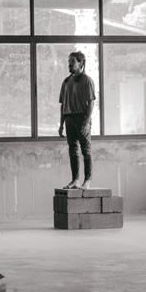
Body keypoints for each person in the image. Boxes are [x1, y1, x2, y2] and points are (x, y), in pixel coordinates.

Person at [58, 50, 95, 190]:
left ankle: (87, 180)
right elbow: (63, 105)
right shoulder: (66, 82)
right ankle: (75, 180)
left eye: (72, 61)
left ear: (81, 63)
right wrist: (61, 124)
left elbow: (91, 103)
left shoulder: (87, 81)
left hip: (82, 118)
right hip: (69, 118)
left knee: (86, 150)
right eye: (69, 62)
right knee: (73, 150)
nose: (69, 64)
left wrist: (86, 122)